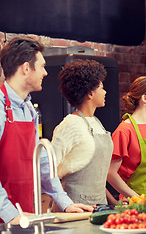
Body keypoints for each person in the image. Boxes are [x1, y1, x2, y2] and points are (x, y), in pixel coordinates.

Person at [0, 36, 93, 224]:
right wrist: (11, 215)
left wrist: (65, 203)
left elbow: (43, 163)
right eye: (42, 66)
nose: (45, 73)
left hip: (25, 214)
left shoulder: (29, 110)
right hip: (7, 217)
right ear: (26, 68)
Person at [51, 59, 113, 206]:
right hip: (75, 208)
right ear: (90, 93)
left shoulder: (97, 123)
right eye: (101, 87)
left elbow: (97, 177)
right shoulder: (70, 125)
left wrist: (113, 203)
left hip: (101, 206)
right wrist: (66, 205)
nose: (105, 92)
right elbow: (49, 171)